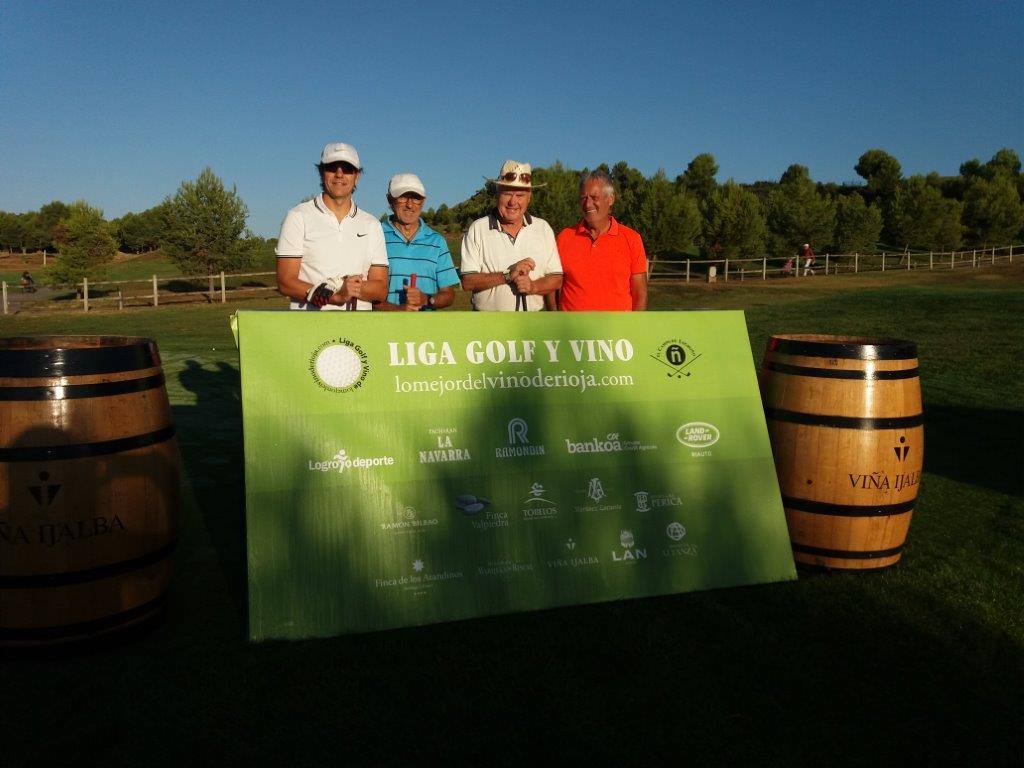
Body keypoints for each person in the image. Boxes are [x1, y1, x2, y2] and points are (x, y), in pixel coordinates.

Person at [275, 142, 388, 310]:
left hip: (359, 329)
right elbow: (286, 282)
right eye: (332, 167)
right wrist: (335, 296)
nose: (339, 174)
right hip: (308, 327)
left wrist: (348, 288)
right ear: (322, 173)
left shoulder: (372, 224)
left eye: (347, 169)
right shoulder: (297, 217)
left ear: (357, 176)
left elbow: (380, 289)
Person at [459, 160, 562, 311]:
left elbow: (556, 279)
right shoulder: (477, 229)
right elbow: (467, 281)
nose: (513, 201)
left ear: (529, 197)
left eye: (520, 195)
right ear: (497, 193)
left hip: (530, 327)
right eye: (507, 193)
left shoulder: (543, 229)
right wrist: (507, 275)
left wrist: (533, 286)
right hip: (486, 327)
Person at [552, 170, 647, 311]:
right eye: (583, 198)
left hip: (618, 331)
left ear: (611, 199)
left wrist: (636, 330)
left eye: (594, 197)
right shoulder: (564, 237)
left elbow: (640, 293)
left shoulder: (632, 239)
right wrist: (554, 322)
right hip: (572, 331)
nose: (588, 204)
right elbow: (553, 288)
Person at [376, 173, 459, 311]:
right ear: (390, 200)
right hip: (385, 327)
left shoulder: (437, 241)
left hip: (426, 330)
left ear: (423, 201)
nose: (409, 204)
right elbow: (367, 295)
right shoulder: (375, 235)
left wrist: (427, 299)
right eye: (403, 197)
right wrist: (397, 310)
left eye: (416, 198)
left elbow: (449, 294)